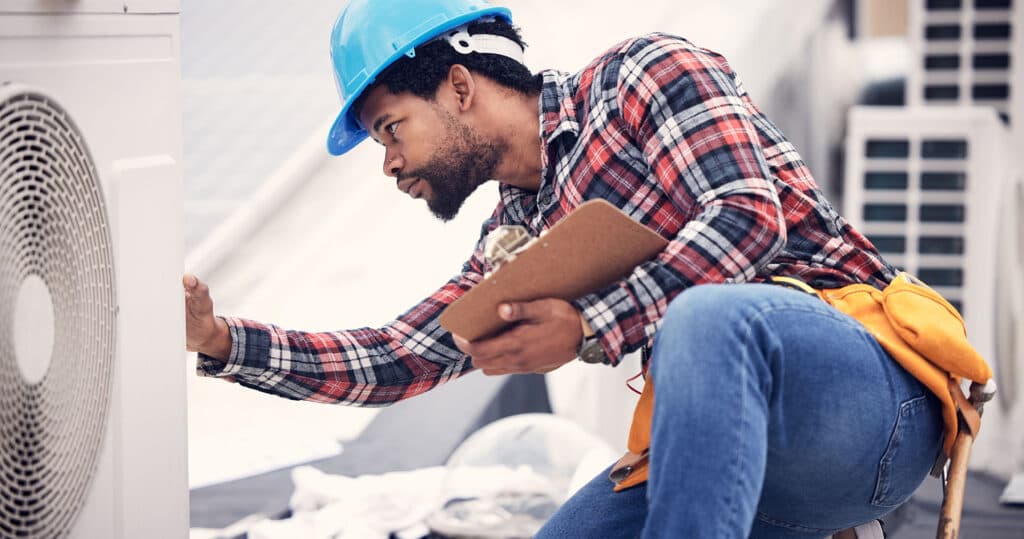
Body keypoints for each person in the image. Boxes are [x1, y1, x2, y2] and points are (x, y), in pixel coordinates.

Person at [184, 0, 953, 536]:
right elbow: (401, 355)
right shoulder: (516, 233)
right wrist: (221, 339)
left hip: (872, 403)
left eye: (391, 129)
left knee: (709, 314)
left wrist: (589, 325)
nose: (388, 163)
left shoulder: (645, 75)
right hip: (732, 456)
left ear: (458, 86)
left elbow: (748, 216)